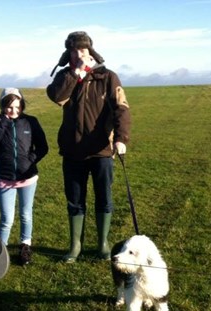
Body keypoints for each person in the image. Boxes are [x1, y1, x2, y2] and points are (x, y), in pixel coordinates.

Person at [47, 31, 131, 262]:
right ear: (69, 53)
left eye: (82, 49)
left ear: (90, 51)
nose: (79, 54)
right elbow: (56, 97)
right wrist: (74, 75)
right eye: (74, 51)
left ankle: (102, 245)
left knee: (104, 197)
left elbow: (121, 109)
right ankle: (75, 246)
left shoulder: (107, 77)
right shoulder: (65, 76)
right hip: (73, 150)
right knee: (75, 199)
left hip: (102, 150)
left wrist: (121, 139)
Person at [0, 88, 48, 265]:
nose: (14, 111)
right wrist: (2, 122)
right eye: (9, 107)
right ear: (2, 105)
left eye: (17, 107)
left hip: (28, 178)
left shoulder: (30, 122)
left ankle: (25, 246)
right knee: (7, 219)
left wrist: (30, 161)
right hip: (5, 179)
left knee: (26, 214)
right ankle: (0, 252)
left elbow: (43, 147)